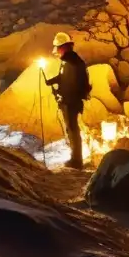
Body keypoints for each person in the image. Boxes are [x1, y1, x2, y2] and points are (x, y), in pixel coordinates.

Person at [45, 32, 90, 169]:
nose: (57, 51)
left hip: (71, 102)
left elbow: (73, 83)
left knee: (73, 129)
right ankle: (74, 158)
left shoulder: (72, 62)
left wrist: (64, 95)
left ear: (63, 47)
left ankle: (77, 161)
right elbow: (62, 77)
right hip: (68, 100)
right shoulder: (68, 61)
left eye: (58, 48)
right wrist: (51, 81)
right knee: (70, 129)